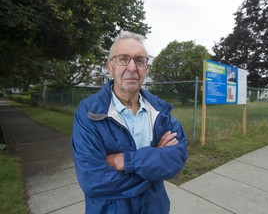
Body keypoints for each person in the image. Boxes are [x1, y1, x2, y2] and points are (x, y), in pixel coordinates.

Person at [71, 30, 187, 214]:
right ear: (109, 67)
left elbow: (177, 158)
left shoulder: (160, 111)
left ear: (146, 69)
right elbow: (93, 181)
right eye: (123, 59)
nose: (132, 67)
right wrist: (154, 162)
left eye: (140, 60)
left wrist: (127, 161)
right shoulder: (89, 113)